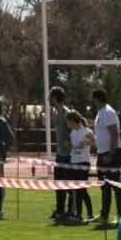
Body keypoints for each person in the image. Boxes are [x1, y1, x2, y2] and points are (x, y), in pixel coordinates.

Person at [93, 89, 121, 225]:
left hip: (112, 153)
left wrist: (110, 154)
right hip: (102, 153)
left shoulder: (108, 112)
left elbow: (114, 134)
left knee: (116, 185)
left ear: (96, 99)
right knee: (104, 185)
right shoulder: (100, 112)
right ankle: (104, 214)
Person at [65, 110, 96, 223]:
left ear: (73, 121)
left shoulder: (86, 131)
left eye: (68, 122)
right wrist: (69, 145)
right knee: (78, 189)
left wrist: (86, 143)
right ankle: (84, 214)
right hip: (74, 162)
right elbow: (73, 146)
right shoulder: (73, 132)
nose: (67, 125)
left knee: (81, 189)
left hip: (83, 162)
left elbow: (94, 142)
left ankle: (84, 214)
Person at [49, 87, 73, 221]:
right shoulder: (56, 113)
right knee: (58, 184)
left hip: (67, 155)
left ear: (55, 98)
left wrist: (69, 141)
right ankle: (59, 210)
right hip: (59, 154)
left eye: (50, 97)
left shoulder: (66, 113)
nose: (48, 99)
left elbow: (75, 129)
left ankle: (70, 211)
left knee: (68, 184)